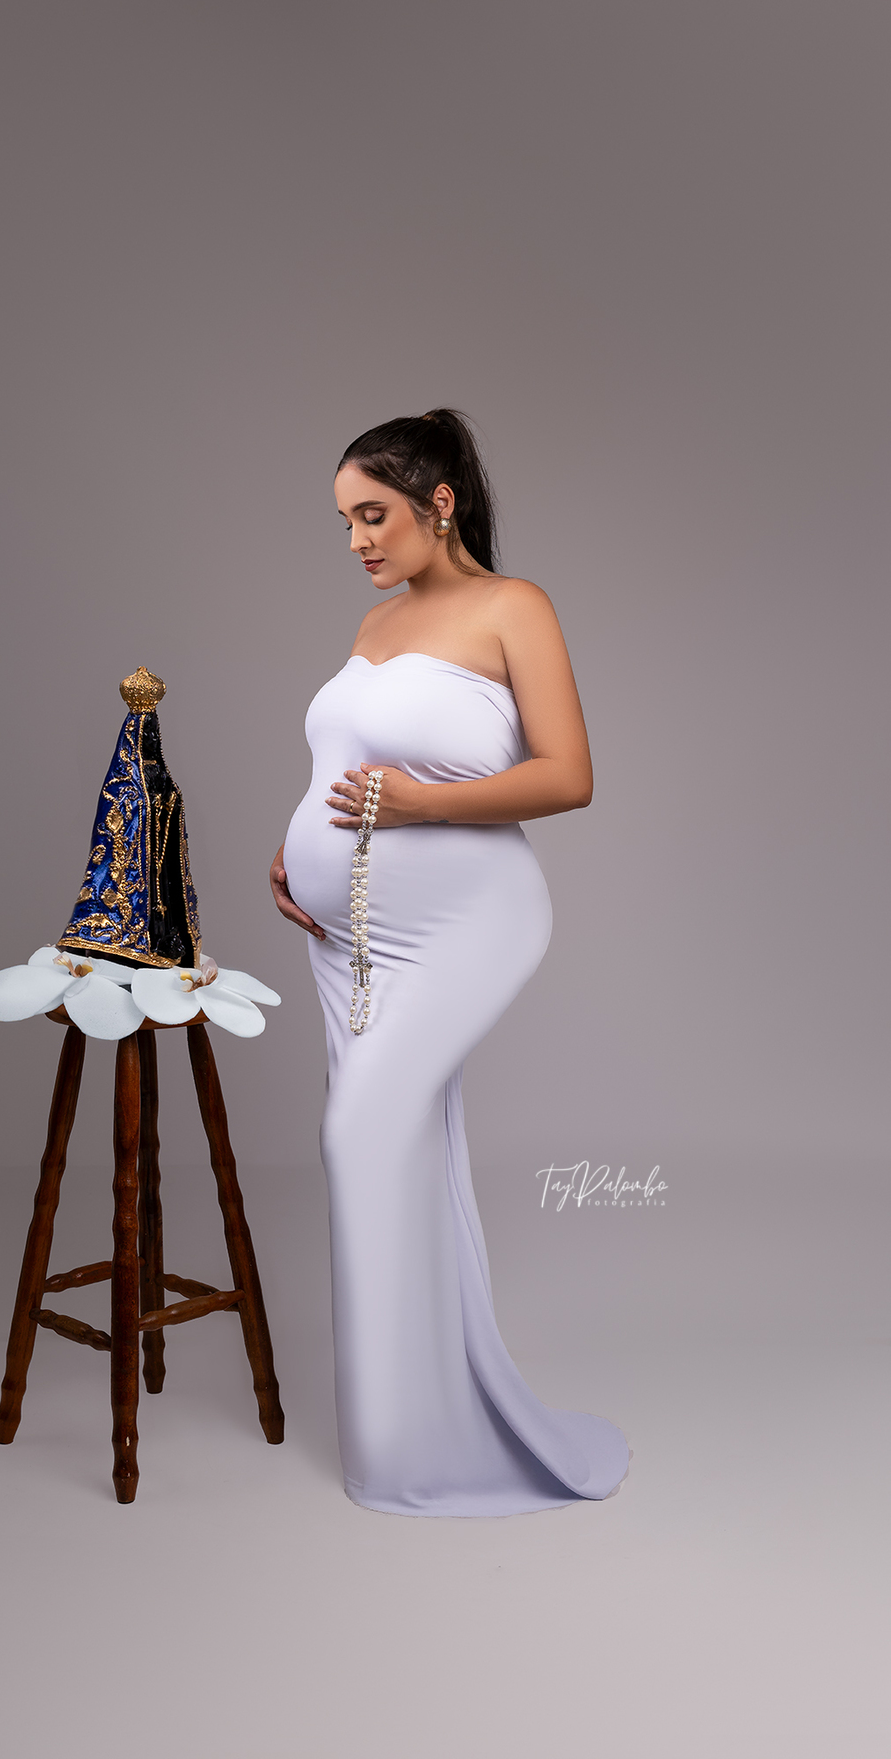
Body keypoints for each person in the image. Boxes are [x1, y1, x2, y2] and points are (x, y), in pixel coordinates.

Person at [271, 409, 631, 1517]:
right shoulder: (375, 621)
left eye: (372, 515)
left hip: (468, 922)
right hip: (354, 936)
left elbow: (569, 775)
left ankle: (412, 1456)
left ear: (440, 502)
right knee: (397, 1152)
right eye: (344, 521)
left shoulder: (515, 607)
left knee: (361, 1135)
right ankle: (417, 1423)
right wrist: (296, 855)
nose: (355, 541)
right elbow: (344, 761)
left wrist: (421, 807)